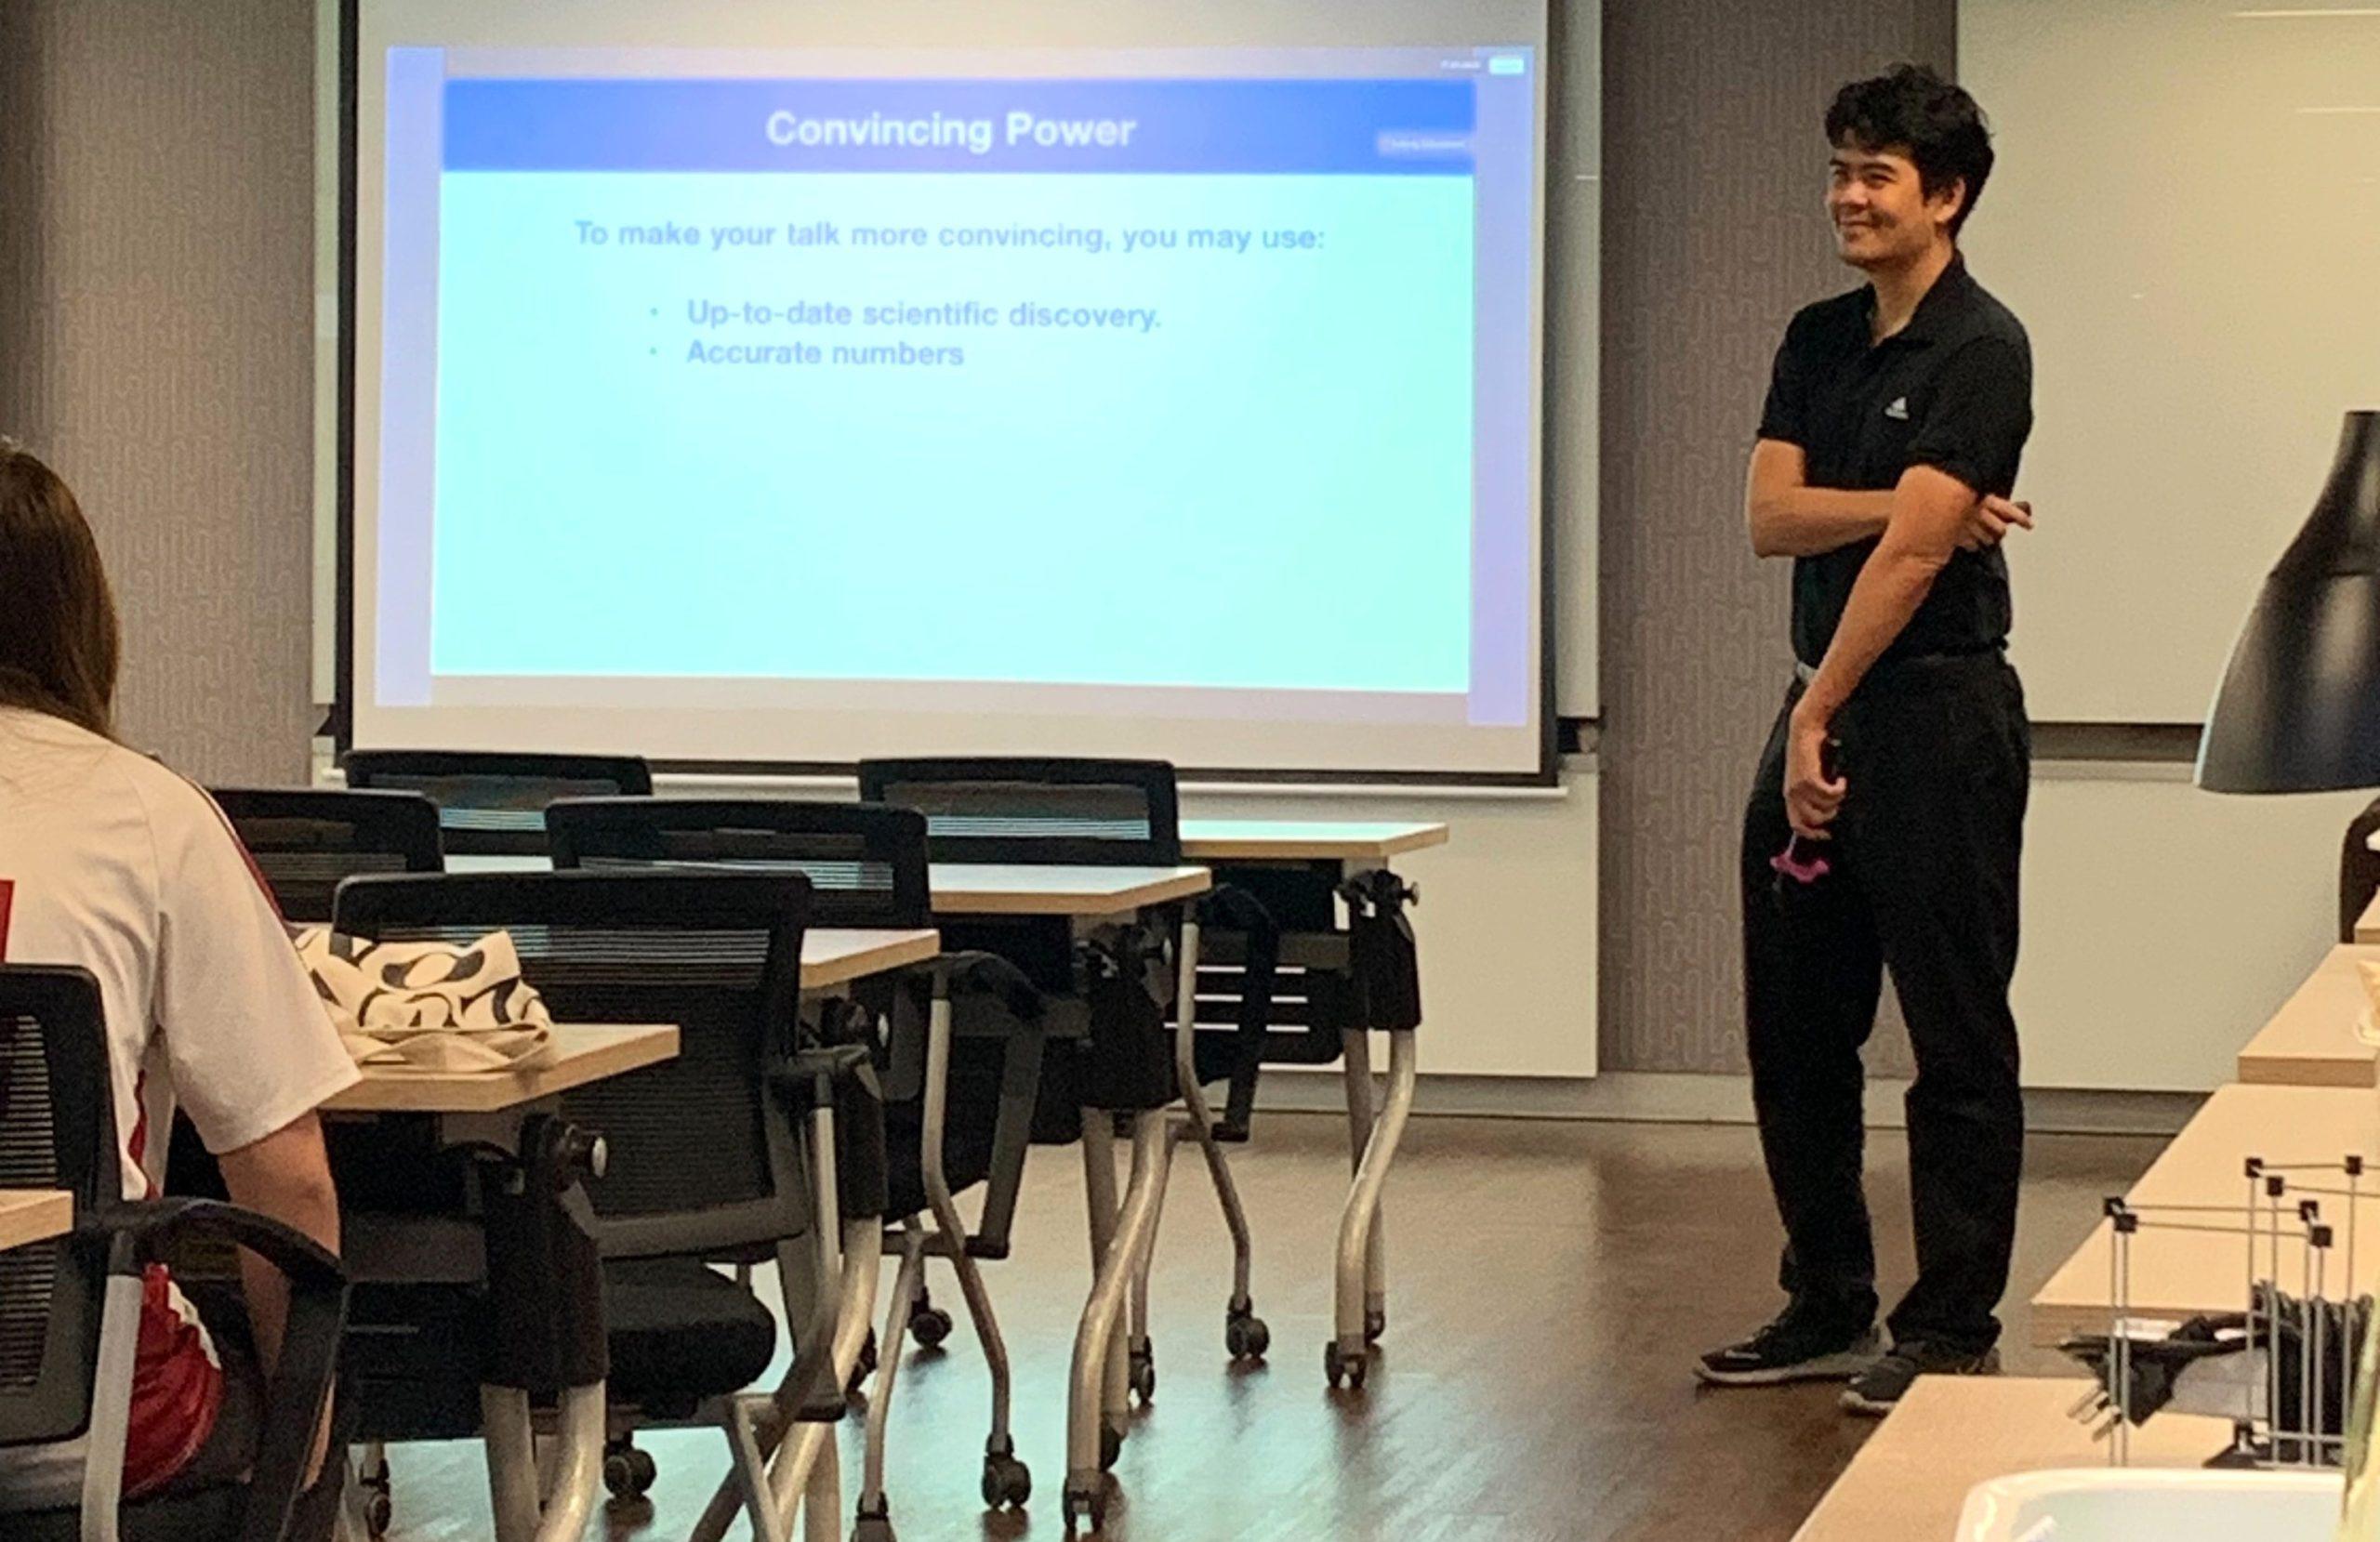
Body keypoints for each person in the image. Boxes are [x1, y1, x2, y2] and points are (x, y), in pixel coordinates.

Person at [1694, 65, 2037, 1416]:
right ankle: (1827, 1300)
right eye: (1838, 170)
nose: (1846, 195)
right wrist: (1914, 499)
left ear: (1943, 197)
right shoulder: (1817, 336)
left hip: (1937, 714)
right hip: (1821, 706)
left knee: (1954, 1033)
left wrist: (1817, 710)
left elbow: (1912, 567)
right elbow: (1769, 518)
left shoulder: (1983, 345)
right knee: (1794, 1028)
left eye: (1874, 175)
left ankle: (1948, 1322)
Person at [0, 439, 358, 1504]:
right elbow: (290, 1179)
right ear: (80, 616)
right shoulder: (148, 816)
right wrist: (302, 1454)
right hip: (75, 1430)